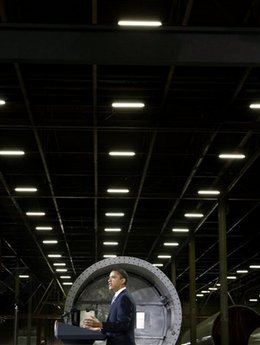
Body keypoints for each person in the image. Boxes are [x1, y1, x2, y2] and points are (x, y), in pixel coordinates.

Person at [83, 267, 136, 345]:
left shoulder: (124, 298)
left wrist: (100, 324)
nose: (109, 280)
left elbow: (123, 325)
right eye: (109, 278)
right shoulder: (118, 297)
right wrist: (99, 329)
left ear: (122, 281)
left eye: (113, 277)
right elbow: (114, 324)